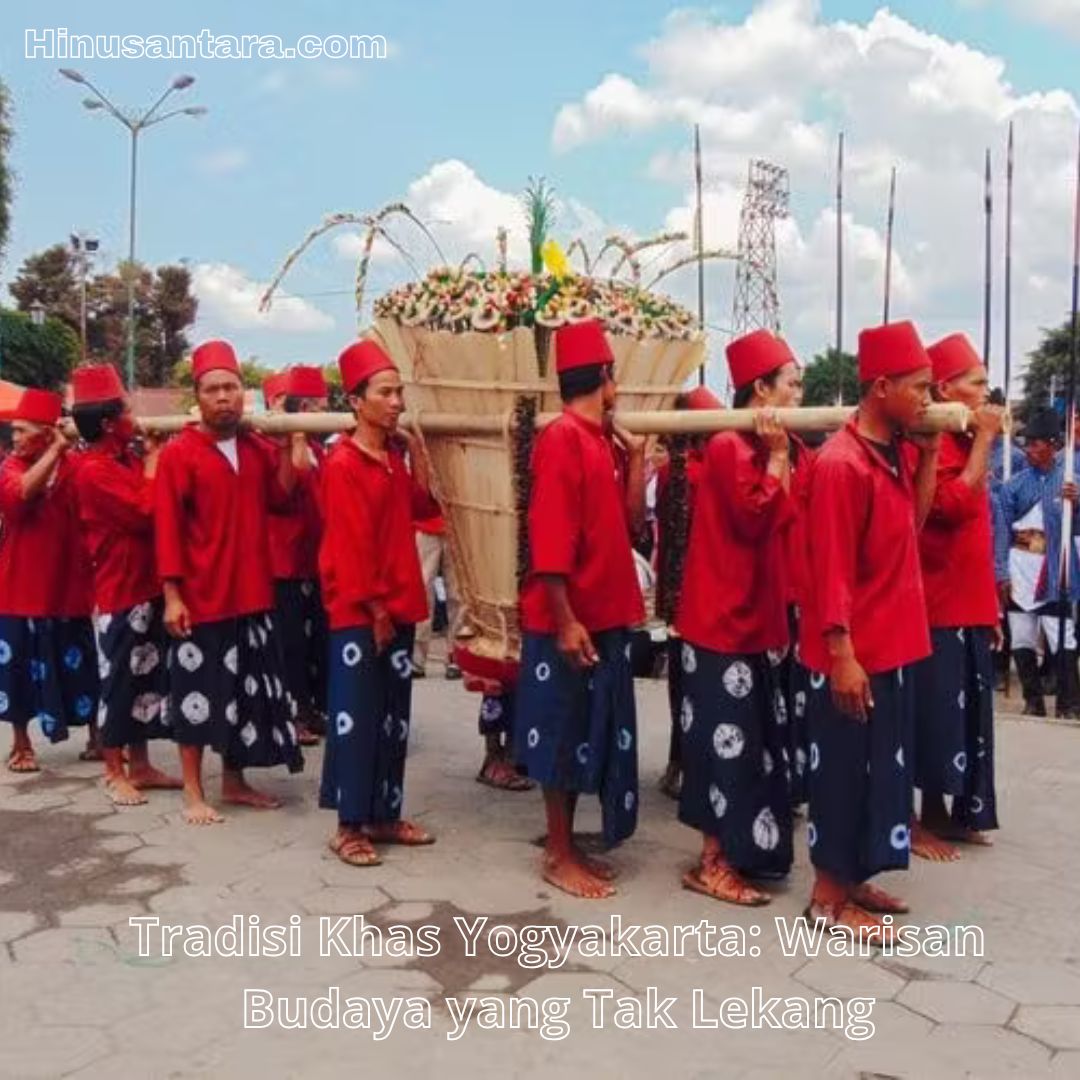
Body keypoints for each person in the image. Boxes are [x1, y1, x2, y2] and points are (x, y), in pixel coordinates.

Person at [800, 320, 939, 941]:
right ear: (881, 388)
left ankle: (853, 878)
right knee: (842, 771)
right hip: (853, 651)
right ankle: (827, 900)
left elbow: (912, 529)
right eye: (920, 389)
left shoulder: (893, 455)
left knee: (875, 770)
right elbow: (828, 567)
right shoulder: (840, 464)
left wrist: (931, 452)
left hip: (891, 644)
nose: (929, 402)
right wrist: (841, 653)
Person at [514, 319, 646, 899]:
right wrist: (566, 619)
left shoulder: (600, 440)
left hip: (603, 615)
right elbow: (550, 536)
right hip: (569, 621)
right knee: (560, 734)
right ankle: (558, 853)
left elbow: (630, 524)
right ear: (606, 378)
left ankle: (569, 844)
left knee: (585, 732)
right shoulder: (564, 437)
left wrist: (637, 458)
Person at [155, 339, 304, 824]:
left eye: (232, 388)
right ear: (197, 397)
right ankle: (194, 792)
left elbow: (283, 499)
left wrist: (285, 446)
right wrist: (172, 596)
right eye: (213, 389)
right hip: (201, 597)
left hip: (252, 593)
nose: (224, 397)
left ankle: (235, 782)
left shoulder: (256, 448)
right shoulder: (180, 453)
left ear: (245, 393)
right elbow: (168, 529)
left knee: (242, 695)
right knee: (196, 694)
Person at [675, 330, 798, 906]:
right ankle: (712, 862)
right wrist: (777, 457)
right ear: (761, 388)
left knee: (760, 746)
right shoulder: (727, 445)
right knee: (724, 745)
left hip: (760, 619)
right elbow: (753, 519)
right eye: (793, 384)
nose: (800, 394)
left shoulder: (772, 444)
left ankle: (755, 852)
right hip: (721, 621)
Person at [318, 338, 435, 867]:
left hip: (396, 607)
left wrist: (417, 447)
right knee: (356, 718)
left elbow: (422, 503)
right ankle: (348, 826)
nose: (396, 401)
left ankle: (385, 815)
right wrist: (376, 612)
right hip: (361, 613)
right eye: (385, 393)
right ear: (357, 400)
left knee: (393, 718)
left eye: (398, 392)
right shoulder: (342, 463)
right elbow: (348, 546)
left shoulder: (390, 458)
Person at [910, 334, 1002, 862]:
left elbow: (981, 535)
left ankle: (946, 813)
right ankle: (917, 816)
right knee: (931, 716)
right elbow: (949, 507)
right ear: (946, 389)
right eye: (977, 383)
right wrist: (986, 443)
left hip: (968, 603)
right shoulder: (934, 444)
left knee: (963, 718)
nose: (986, 394)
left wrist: (989, 606)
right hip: (934, 604)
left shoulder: (965, 441)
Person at [71, 363, 180, 805]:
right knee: (118, 680)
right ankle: (114, 770)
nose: (135, 418)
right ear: (108, 423)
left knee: (147, 677)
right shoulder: (91, 470)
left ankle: (142, 763)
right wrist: (155, 461)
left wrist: (149, 460)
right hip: (119, 589)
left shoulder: (125, 458)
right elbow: (143, 512)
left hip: (146, 583)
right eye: (127, 411)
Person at [0, 389, 98, 772]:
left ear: (45, 432)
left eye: (23, 431)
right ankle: (21, 744)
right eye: (14, 430)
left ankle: (98, 735)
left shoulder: (76, 466)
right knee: (17, 668)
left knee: (82, 663)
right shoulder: (9, 467)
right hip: (19, 586)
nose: (15, 438)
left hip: (68, 584)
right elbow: (20, 497)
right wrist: (56, 452)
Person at [655, 385, 723, 800]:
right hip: (691, 593)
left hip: (695, 592)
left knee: (690, 681)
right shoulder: (686, 472)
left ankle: (684, 762)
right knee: (688, 681)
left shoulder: (692, 467)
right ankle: (683, 762)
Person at [994, 407, 1080, 717]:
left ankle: (1069, 703)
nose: (1029, 450)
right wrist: (1001, 572)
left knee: (1062, 637)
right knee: (1021, 635)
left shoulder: (1072, 481)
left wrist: (1078, 502)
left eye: (1036, 444)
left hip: (1055, 569)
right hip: (1021, 569)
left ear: (1054, 445)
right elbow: (1002, 531)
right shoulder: (1013, 486)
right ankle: (1033, 701)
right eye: (1027, 443)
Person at [264, 365, 329, 745]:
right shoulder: (276, 448)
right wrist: (297, 438)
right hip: (283, 562)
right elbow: (295, 482)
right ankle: (292, 712)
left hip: (314, 561)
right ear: (304, 407)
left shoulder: (322, 450)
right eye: (321, 405)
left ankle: (311, 708)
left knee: (314, 642)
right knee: (289, 644)